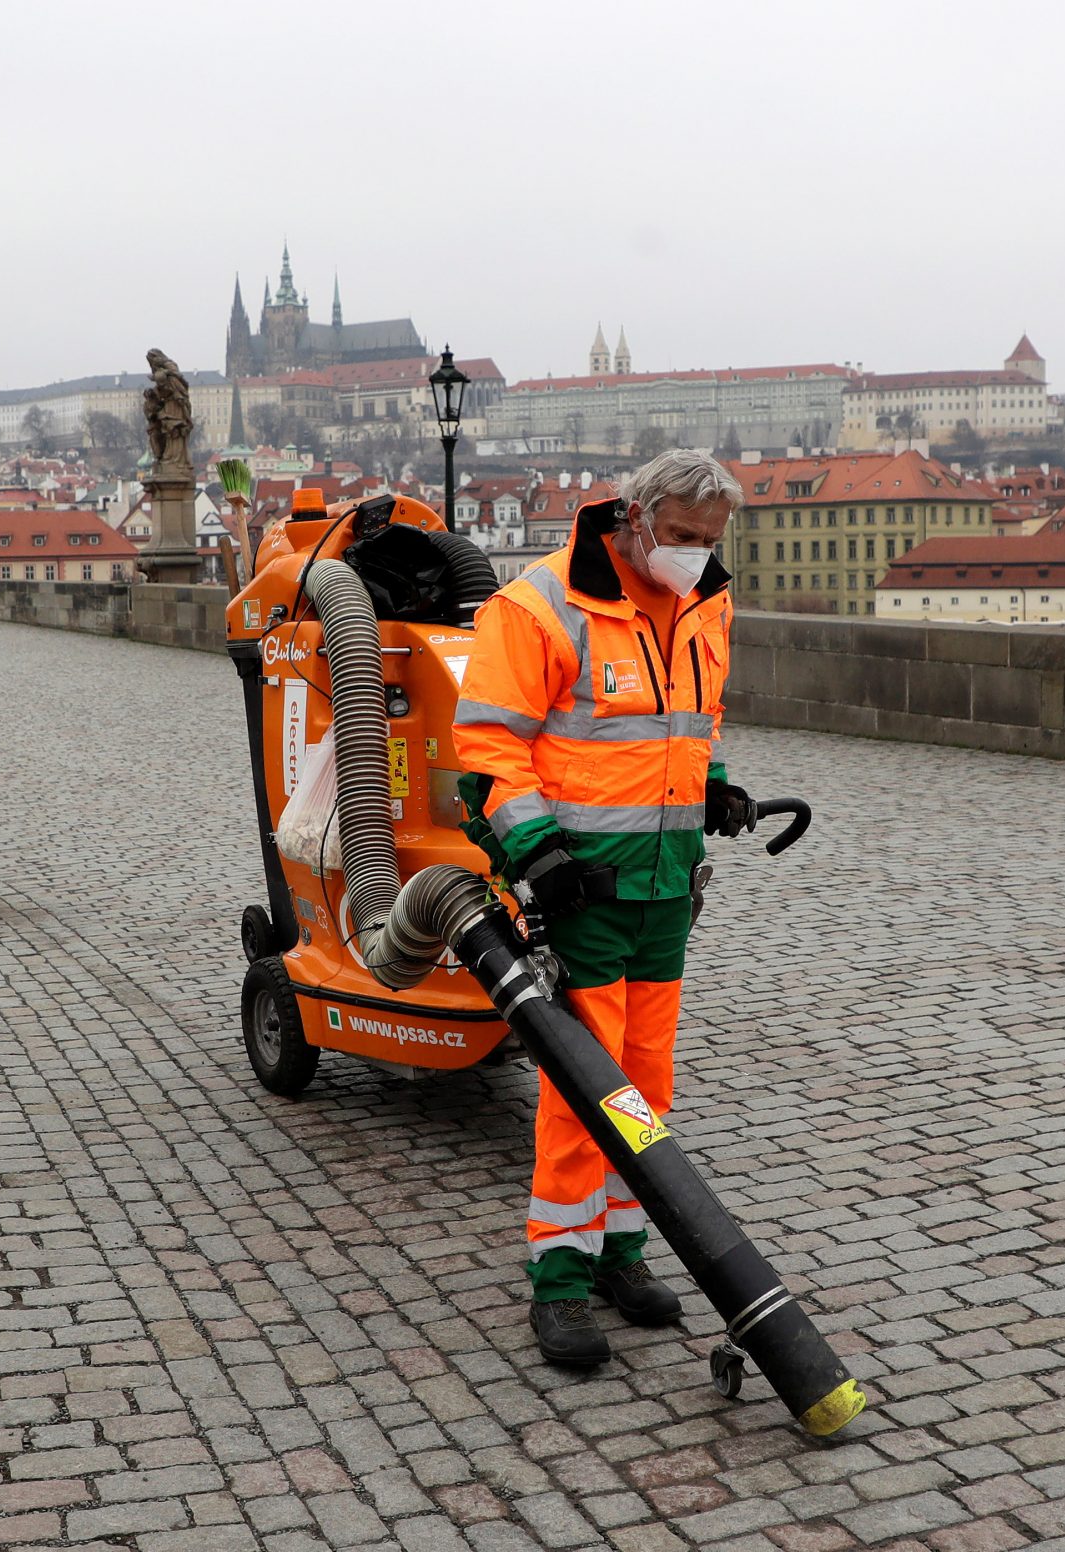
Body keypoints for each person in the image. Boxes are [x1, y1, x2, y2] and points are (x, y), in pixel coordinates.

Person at [452, 449, 755, 1367]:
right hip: (580, 891)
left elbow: (694, 723)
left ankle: (623, 1249)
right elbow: (488, 748)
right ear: (635, 517)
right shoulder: (541, 607)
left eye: (711, 542)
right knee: (584, 1090)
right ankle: (560, 1280)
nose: (696, 556)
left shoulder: (705, 603)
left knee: (645, 1086)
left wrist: (718, 786)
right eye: (684, 537)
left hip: (666, 889)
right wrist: (537, 854)